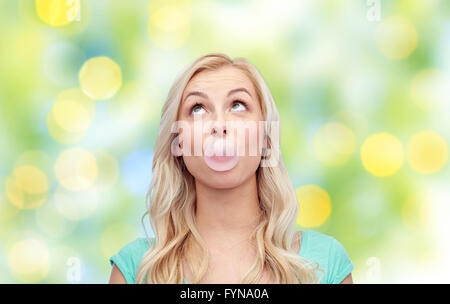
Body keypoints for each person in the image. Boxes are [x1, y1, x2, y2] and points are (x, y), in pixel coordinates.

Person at [109, 53, 354, 284]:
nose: (219, 125)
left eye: (237, 105)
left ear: (266, 139)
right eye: (198, 109)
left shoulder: (324, 262)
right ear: (178, 143)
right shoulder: (135, 268)